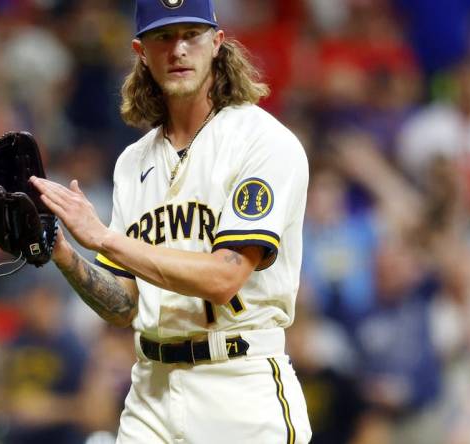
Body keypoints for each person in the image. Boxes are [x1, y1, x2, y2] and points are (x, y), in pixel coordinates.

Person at [29, 0, 312, 442]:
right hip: (151, 389)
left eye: (191, 34)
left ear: (217, 43)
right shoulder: (132, 163)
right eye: (164, 36)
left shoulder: (263, 141)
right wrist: (64, 253)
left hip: (238, 386)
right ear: (141, 50)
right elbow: (124, 305)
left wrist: (103, 238)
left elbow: (224, 277)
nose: (178, 49)